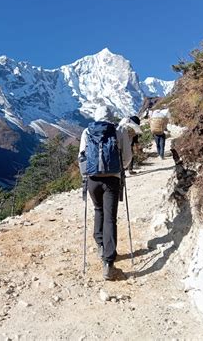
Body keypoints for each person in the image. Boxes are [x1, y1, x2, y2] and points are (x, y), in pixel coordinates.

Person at [78, 106, 132, 280]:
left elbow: (82, 156)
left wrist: (86, 176)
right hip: (112, 179)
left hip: (93, 179)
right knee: (110, 218)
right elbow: (127, 156)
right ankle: (108, 263)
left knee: (98, 210)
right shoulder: (119, 130)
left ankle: (100, 244)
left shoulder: (87, 131)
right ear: (111, 117)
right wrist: (119, 170)